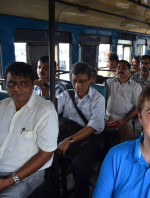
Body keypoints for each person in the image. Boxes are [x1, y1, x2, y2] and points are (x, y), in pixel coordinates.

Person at [0, 62, 58, 197]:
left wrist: (7, 182)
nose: (17, 88)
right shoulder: (2, 106)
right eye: (11, 83)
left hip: (28, 174)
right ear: (5, 85)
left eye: (24, 83)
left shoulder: (45, 111)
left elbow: (45, 155)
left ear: (33, 84)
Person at [57, 62, 105, 198]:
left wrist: (69, 140)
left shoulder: (97, 99)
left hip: (90, 138)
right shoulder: (66, 95)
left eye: (82, 81)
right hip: (67, 134)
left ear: (90, 80)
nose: (78, 85)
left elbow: (93, 127)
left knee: (79, 163)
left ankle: (81, 194)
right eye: (74, 81)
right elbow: (52, 110)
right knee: (45, 156)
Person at [105, 60, 142, 141]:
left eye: (124, 68)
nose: (120, 70)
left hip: (125, 119)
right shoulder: (109, 83)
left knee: (127, 144)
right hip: (106, 117)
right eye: (118, 68)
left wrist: (124, 120)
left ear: (129, 71)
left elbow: (136, 107)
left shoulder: (135, 87)